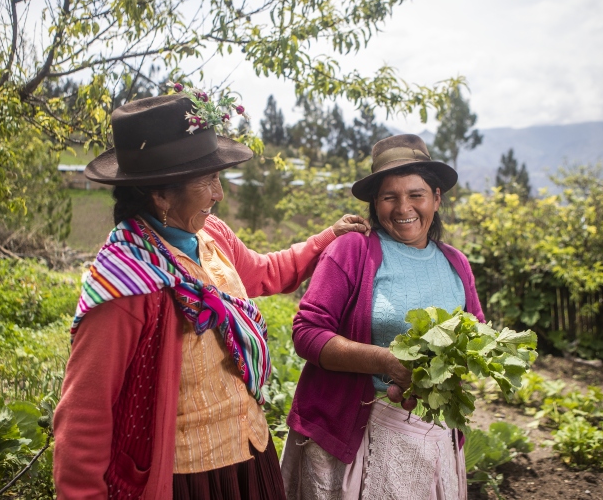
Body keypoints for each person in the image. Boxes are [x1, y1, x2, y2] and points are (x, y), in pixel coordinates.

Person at [52, 92, 370, 499]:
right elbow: (84, 416)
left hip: (250, 458)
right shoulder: (126, 286)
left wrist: (327, 238)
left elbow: (265, 272)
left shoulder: (210, 235)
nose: (219, 193)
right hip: (188, 479)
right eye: (207, 181)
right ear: (160, 195)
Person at [280, 134, 485, 500]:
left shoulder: (456, 263)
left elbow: (477, 333)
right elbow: (307, 333)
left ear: (437, 198)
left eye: (416, 194)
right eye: (390, 196)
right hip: (355, 433)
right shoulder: (352, 250)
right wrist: (386, 362)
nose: (403, 207)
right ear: (376, 202)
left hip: (433, 432)